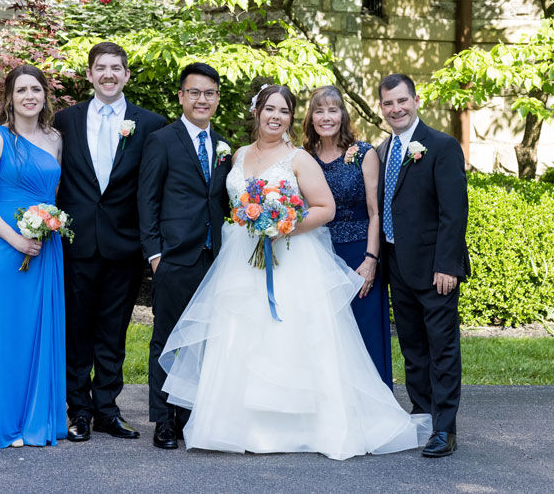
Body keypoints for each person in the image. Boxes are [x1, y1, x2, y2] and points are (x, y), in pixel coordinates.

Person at [159, 85, 429, 461]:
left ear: (290, 118)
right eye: (269, 109)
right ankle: (234, 425)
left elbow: (325, 208)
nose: (275, 116)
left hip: (291, 258)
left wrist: (282, 224)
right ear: (257, 113)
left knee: (287, 335)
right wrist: (255, 225)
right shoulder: (237, 155)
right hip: (241, 260)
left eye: (284, 111)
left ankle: (297, 427)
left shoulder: (299, 158)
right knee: (240, 334)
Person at [53, 42, 166, 442]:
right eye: (100, 67)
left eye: (116, 68)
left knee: (113, 332)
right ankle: (78, 411)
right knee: (77, 330)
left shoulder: (150, 124)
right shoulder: (64, 120)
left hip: (123, 244)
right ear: (89, 74)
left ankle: (107, 409)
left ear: (127, 75)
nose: (108, 74)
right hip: (76, 241)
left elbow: (153, 187)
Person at [0, 65, 66, 448]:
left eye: (36, 89)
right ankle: (5, 422)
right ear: (9, 97)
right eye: (21, 89)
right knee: (7, 333)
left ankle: (36, 419)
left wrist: (48, 225)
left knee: (38, 332)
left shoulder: (55, 138)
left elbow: (52, 193)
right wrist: (16, 240)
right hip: (5, 246)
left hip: (46, 245)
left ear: (44, 96)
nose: (29, 96)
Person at [138, 62, 233, 450]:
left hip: (215, 259)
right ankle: (163, 419)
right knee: (168, 340)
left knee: (205, 340)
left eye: (209, 93)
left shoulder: (224, 145)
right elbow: (147, 201)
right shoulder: (162, 140)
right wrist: (156, 255)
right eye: (194, 92)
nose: (202, 99)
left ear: (216, 99)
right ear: (181, 96)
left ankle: (192, 415)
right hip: (175, 257)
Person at [376, 73, 470, 458]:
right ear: (381, 108)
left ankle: (444, 428)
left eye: (402, 101)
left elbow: (454, 211)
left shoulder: (442, 146)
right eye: (388, 103)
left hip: (436, 270)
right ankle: (422, 413)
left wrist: (447, 265)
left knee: (441, 347)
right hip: (396, 264)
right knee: (412, 347)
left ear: (416, 101)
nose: (396, 108)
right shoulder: (382, 151)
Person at [302, 85, 391, 387]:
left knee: (364, 334)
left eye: (332, 110)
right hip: (315, 255)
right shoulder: (302, 158)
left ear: (343, 114)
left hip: (357, 254)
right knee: (324, 336)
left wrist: (370, 260)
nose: (326, 117)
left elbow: (375, 212)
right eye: (319, 110)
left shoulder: (363, 154)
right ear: (311, 117)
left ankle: (374, 415)